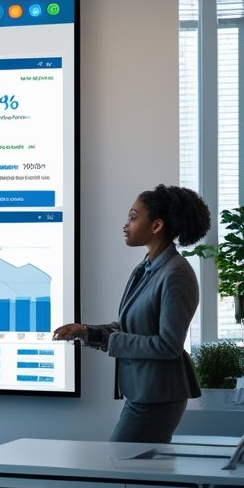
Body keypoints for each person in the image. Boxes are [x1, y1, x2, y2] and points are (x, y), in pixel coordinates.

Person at [54, 184, 211, 443]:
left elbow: (168, 345)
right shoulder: (147, 268)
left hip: (159, 394)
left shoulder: (176, 274)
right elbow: (131, 326)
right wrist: (86, 332)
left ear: (156, 226)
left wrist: (107, 340)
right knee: (136, 474)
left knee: (122, 469)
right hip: (143, 392)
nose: (125, 224)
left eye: (133, 217)